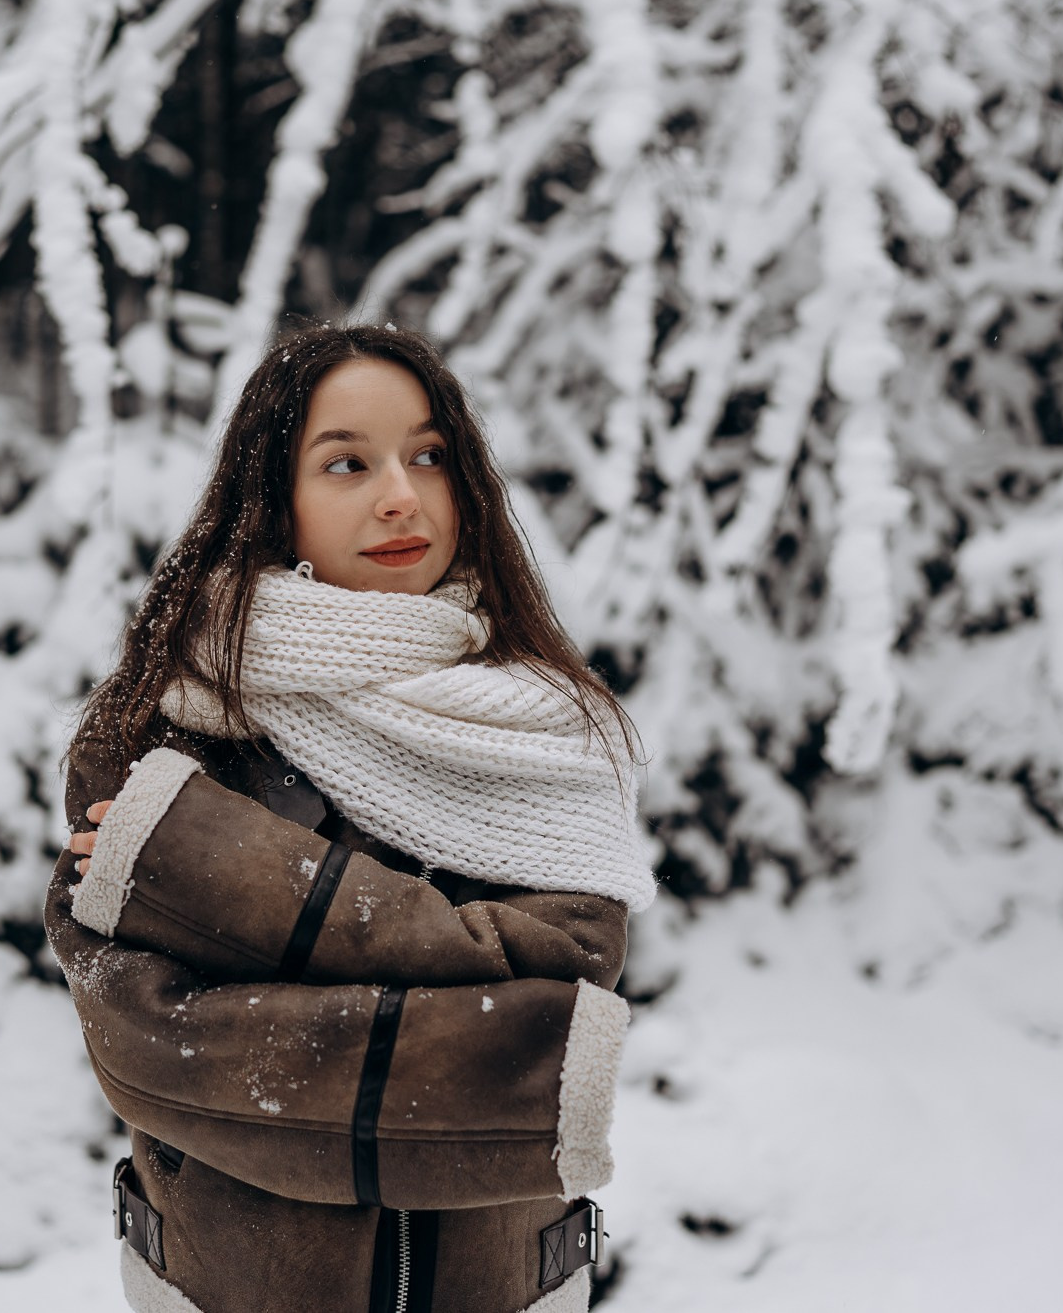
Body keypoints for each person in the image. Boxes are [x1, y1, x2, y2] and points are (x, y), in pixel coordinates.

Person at [42, 322, 656, 1313]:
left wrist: (213, 866)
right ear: (272, 497)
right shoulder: (167, 720)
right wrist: (454, 1038)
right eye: (345, 463)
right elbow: (149, 1038)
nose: (400, 495)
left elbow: (554, 1005)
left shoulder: (540, 723)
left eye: (427, 455)